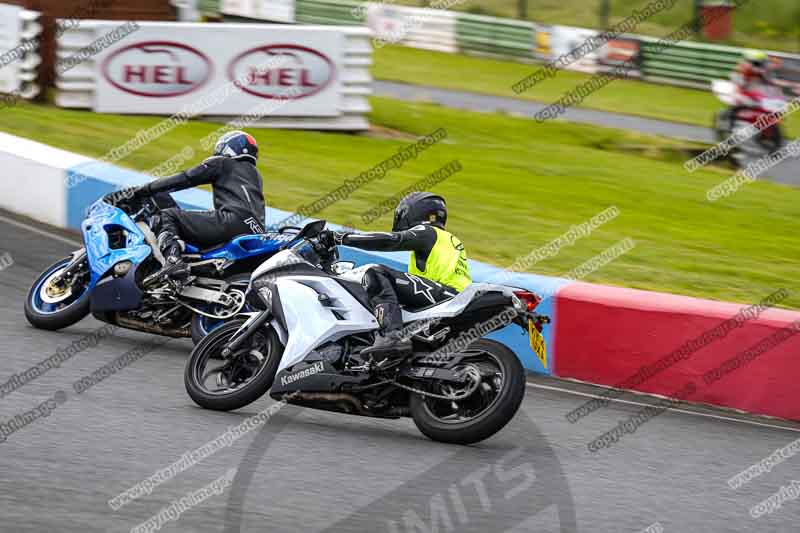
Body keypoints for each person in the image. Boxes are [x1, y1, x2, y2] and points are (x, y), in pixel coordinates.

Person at [319, 192, 471, 359]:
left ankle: (392, 336)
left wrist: (341, 238)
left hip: (448, 295)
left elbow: (392, 240)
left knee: (375, 272)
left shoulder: (428, 232)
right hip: (450, 296)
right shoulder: (441, 241)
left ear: (413, 213)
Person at [129, 130, 266, 282]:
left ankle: (173, 261)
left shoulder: (222, 163)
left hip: (231, 221)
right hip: (256, 230)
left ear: (228, 148)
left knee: (168, 215)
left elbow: (185, 178)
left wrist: (143, 189)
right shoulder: (256, 175)